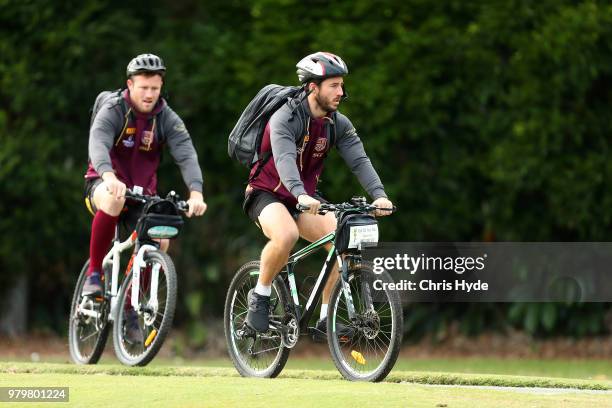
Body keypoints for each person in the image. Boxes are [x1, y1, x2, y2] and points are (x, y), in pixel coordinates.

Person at [243, 52, 393, 338]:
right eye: (334, 85)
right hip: (267, 193)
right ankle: (260, 295)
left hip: (306, 199)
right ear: (313, 87)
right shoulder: (284, 117)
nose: (341, 92)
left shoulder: (337, 124)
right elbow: (285, 158)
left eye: (341, 85)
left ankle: (327, 317)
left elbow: (359, 161)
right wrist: (299, 194)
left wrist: (379, 195)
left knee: (344, 237)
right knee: (285, 235)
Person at [81, 54, 207, 340]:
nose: (150, 94)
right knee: (113, 200)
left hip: (142, 196)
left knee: (161, 238)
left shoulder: (166, 118)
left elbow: (186, 154)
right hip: (102, 185)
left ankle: (129, 309)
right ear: (130, 84)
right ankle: (94, 275)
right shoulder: (114, 109)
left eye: (155, 88)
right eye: (143, 88)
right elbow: (97, 143)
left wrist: (196, 191)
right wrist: (109, 177)